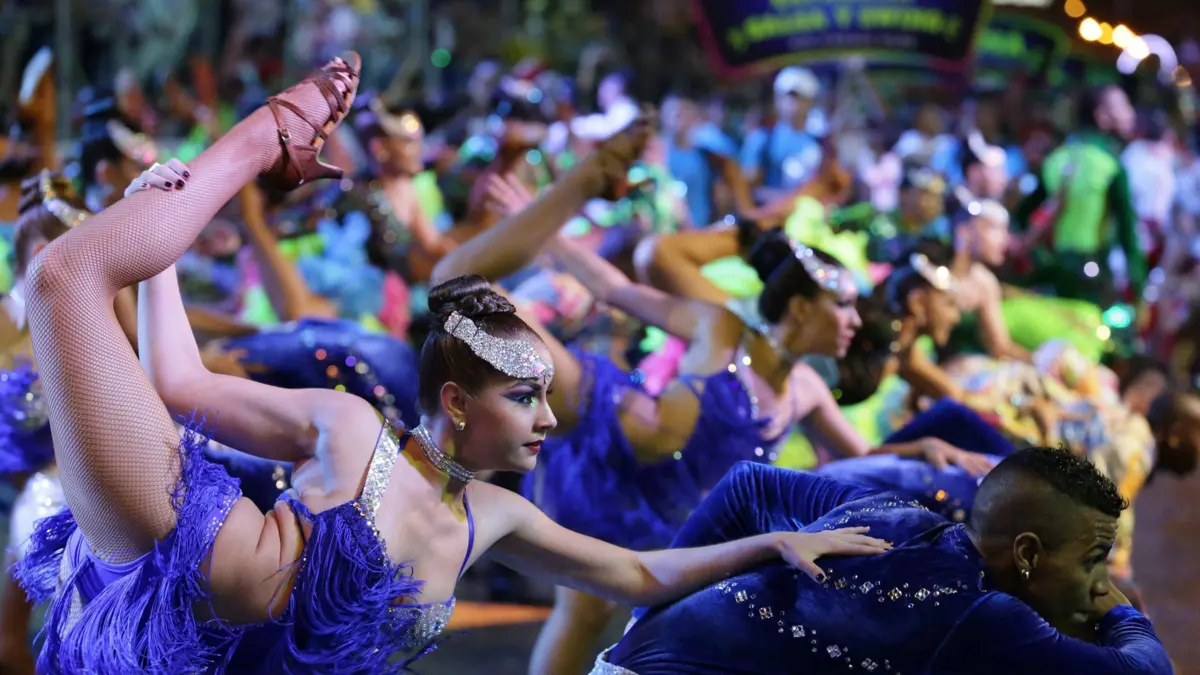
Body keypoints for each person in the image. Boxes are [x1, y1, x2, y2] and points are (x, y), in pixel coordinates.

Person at [15, 56, 889, 673]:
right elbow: (181, 388)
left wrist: (773, 542)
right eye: (524, 396)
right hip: (194, 547)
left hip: (212, 657)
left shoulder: (497, 518)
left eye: (543, 397)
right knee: (63, 278)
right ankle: (260, 138)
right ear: (457, 401)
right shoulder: (352, 426)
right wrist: (161, 263)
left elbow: (639, 571)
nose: (550, 418)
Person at [594, 449, 1174, 674]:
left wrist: (646, 620)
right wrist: (1121, 615)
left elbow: (747, 484)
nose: (1100, 583)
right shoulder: (982, 616)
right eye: (1094, 561)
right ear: (1027, 553)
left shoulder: (895, 512)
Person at [1013, 85, 1143, 303]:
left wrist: (1039, 258)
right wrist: (1139, 290)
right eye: (1123, 106)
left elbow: (1020, 216)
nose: (1131, 113)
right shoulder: (1109, 166)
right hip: (1092, 278)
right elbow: (1128, 236)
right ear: (1101, 116)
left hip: (1055, 273)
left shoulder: (1056, 159)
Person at [741, 67, 824, 202]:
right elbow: (746, 188)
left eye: (800, 98)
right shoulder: (761, 139)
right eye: (788, 97)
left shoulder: (819, 142)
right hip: (770, 213)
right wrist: (789, 201)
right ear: (777, 99)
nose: (793, 104)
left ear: (810, 102)